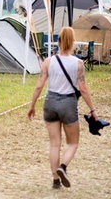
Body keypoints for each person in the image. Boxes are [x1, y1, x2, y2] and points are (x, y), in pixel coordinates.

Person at [27, 26, 99, 189]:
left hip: (50, 102)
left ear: (58, 42)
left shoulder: (48, 62)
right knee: (72, 143)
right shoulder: (78, 64)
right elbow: (83, 88)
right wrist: (93, 109)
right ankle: (63, 166)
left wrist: (32, 106)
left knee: (54, 144)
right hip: (68, 103)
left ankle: (55, 180)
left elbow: (39, 86)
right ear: (72, 43)